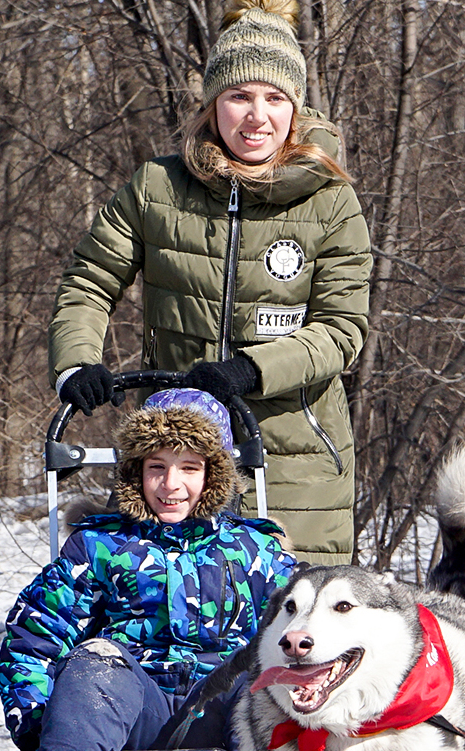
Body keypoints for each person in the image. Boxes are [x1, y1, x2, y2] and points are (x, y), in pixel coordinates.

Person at [47, 0, 371, 566]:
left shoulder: (331, 201)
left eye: (275, 98)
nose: (257, 116)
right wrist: (77, 362)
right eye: (239, 96)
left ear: (295, 107)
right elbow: (89, 281)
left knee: (288, 636)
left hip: (296, 461)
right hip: (177, 461)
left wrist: (252, 367)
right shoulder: (157, 188)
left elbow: (341, 331)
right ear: (213, 103)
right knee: (168, 624)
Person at [0, 389, 295, 751]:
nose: (171, 485)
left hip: (225, 719)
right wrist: (42, 727)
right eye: (156, 466)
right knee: (94, 659)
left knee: (264, 671)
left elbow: (307, 626)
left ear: (214, 475)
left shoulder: (254, 551)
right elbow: (35, 635)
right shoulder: (100, 546)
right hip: (133, 712)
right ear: (136, 471)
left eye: (189, 468)